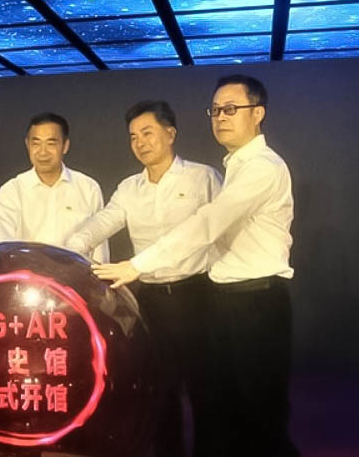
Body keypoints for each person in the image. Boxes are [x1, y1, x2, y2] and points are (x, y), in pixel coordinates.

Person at [94, 75, 298, 457]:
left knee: (259, 414)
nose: (221, 117)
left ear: (258, 114)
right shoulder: (236, 165)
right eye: (216, 110)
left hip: (254, 301)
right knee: (228, 409)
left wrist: (136, 265)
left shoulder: (260, 168)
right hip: (226, 300)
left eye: (231, 109)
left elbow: (207, 224)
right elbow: (105, 220)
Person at [66, 101, 222, 457]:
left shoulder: (203, 178)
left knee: (206, 389)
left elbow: (218, 229)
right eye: (133, 136)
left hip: (198, 296)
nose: (140, 142)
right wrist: (74, 247)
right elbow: (103, 221)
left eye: (147, 133)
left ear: (171, 133)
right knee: (159, 390)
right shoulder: (129, 187)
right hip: (149, 299)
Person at [0, 112, 108, 263]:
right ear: (27, 145)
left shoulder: (88, 188)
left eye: (51, 143)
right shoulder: (12, 190)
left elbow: (99, 250)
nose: (42, 152)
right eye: (36, 143)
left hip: (74, 275)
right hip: (26, 274)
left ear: (65, 146)